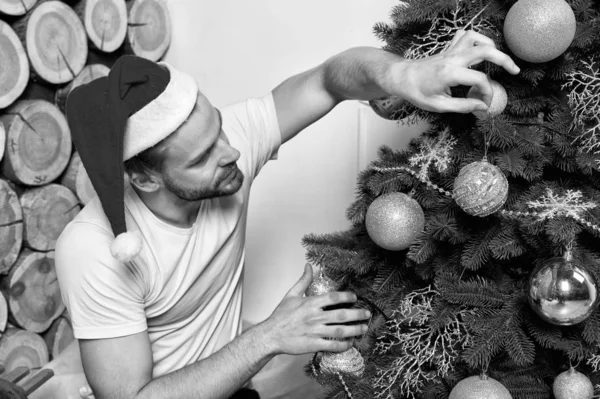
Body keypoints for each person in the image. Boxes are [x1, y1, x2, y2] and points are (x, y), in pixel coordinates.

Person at [53, 29, 520, 399]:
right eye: (201, 159)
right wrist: (269, 337)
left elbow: (328, 78)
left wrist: (403, 75)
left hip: (237, 384)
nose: (233, 151)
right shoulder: (93, 249)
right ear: (145, 179)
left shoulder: (222, 147)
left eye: (219, 128)